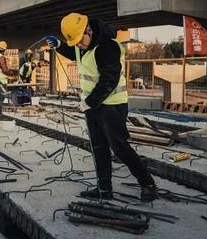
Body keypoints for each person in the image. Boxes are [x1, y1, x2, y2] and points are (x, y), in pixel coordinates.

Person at [45, 13, 157, 202]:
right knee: (98, 148)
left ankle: (148, 184)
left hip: (112, 106)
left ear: (88, 30)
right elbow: (76, 54)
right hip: (94, 106)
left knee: (120, 147)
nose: (79, 45)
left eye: (80, 40)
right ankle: (104, 190)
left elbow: (109, 80)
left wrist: (90, 101)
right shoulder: (85, 45)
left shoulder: (108, 47)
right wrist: (60, 46)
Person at [0, 41, 18, 119]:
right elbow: (4, 70)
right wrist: (12, 73)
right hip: (1, 81)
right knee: (0, 99)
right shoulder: (1, 57)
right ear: (4, 50)